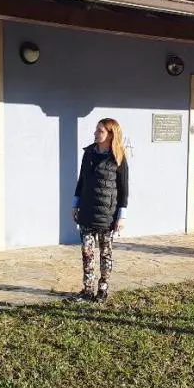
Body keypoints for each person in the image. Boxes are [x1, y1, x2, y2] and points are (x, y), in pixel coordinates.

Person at [70, 118, 129, 303]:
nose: (95, 133)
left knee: (105, 254)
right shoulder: (88, 154)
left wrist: (121, 216)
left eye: (100, 131)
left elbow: (124, 190)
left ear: (110, 134)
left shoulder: (118, 157)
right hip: (86, 213)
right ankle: (87, 290)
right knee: (87, 254)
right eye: (96, 130)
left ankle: (102, 290)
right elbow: (81, 182)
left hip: (107, 217)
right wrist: (75, 204)